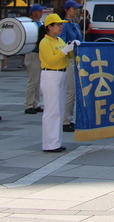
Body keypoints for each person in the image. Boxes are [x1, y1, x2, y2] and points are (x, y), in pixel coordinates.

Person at [39, 13, 76, 153]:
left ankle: (56, 142)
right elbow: (51, 60)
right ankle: (49, 143)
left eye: (61, 24)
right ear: (49, 27)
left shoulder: (59, 40)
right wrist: (65, 51)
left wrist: (72, 49)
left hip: (61, 74)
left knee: (59, 110)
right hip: (50, 75)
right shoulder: (45, 42)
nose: (61, 27)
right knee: (51, 111)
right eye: (58, 24)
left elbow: (65, 57)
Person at [58, 0, 83, 132]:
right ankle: (65, 120)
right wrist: (70, 43)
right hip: (69, 60)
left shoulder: (76, 25)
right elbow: (61, 41)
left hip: (77, 59)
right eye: (74, 9)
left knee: (74, 92)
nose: (76, 11)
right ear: (67, 10)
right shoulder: (64, 25)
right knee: (70, 91)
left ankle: (70, 118)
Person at [23, 4, 45, 115]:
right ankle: (28, 104)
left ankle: (36, 103)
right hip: (33, 53)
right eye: (39, 11)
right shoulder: (29, 24)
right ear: (33, 13)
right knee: (32, 80)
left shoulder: (40, 24)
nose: (41, 13)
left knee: (37, 81)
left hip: (40, 53)